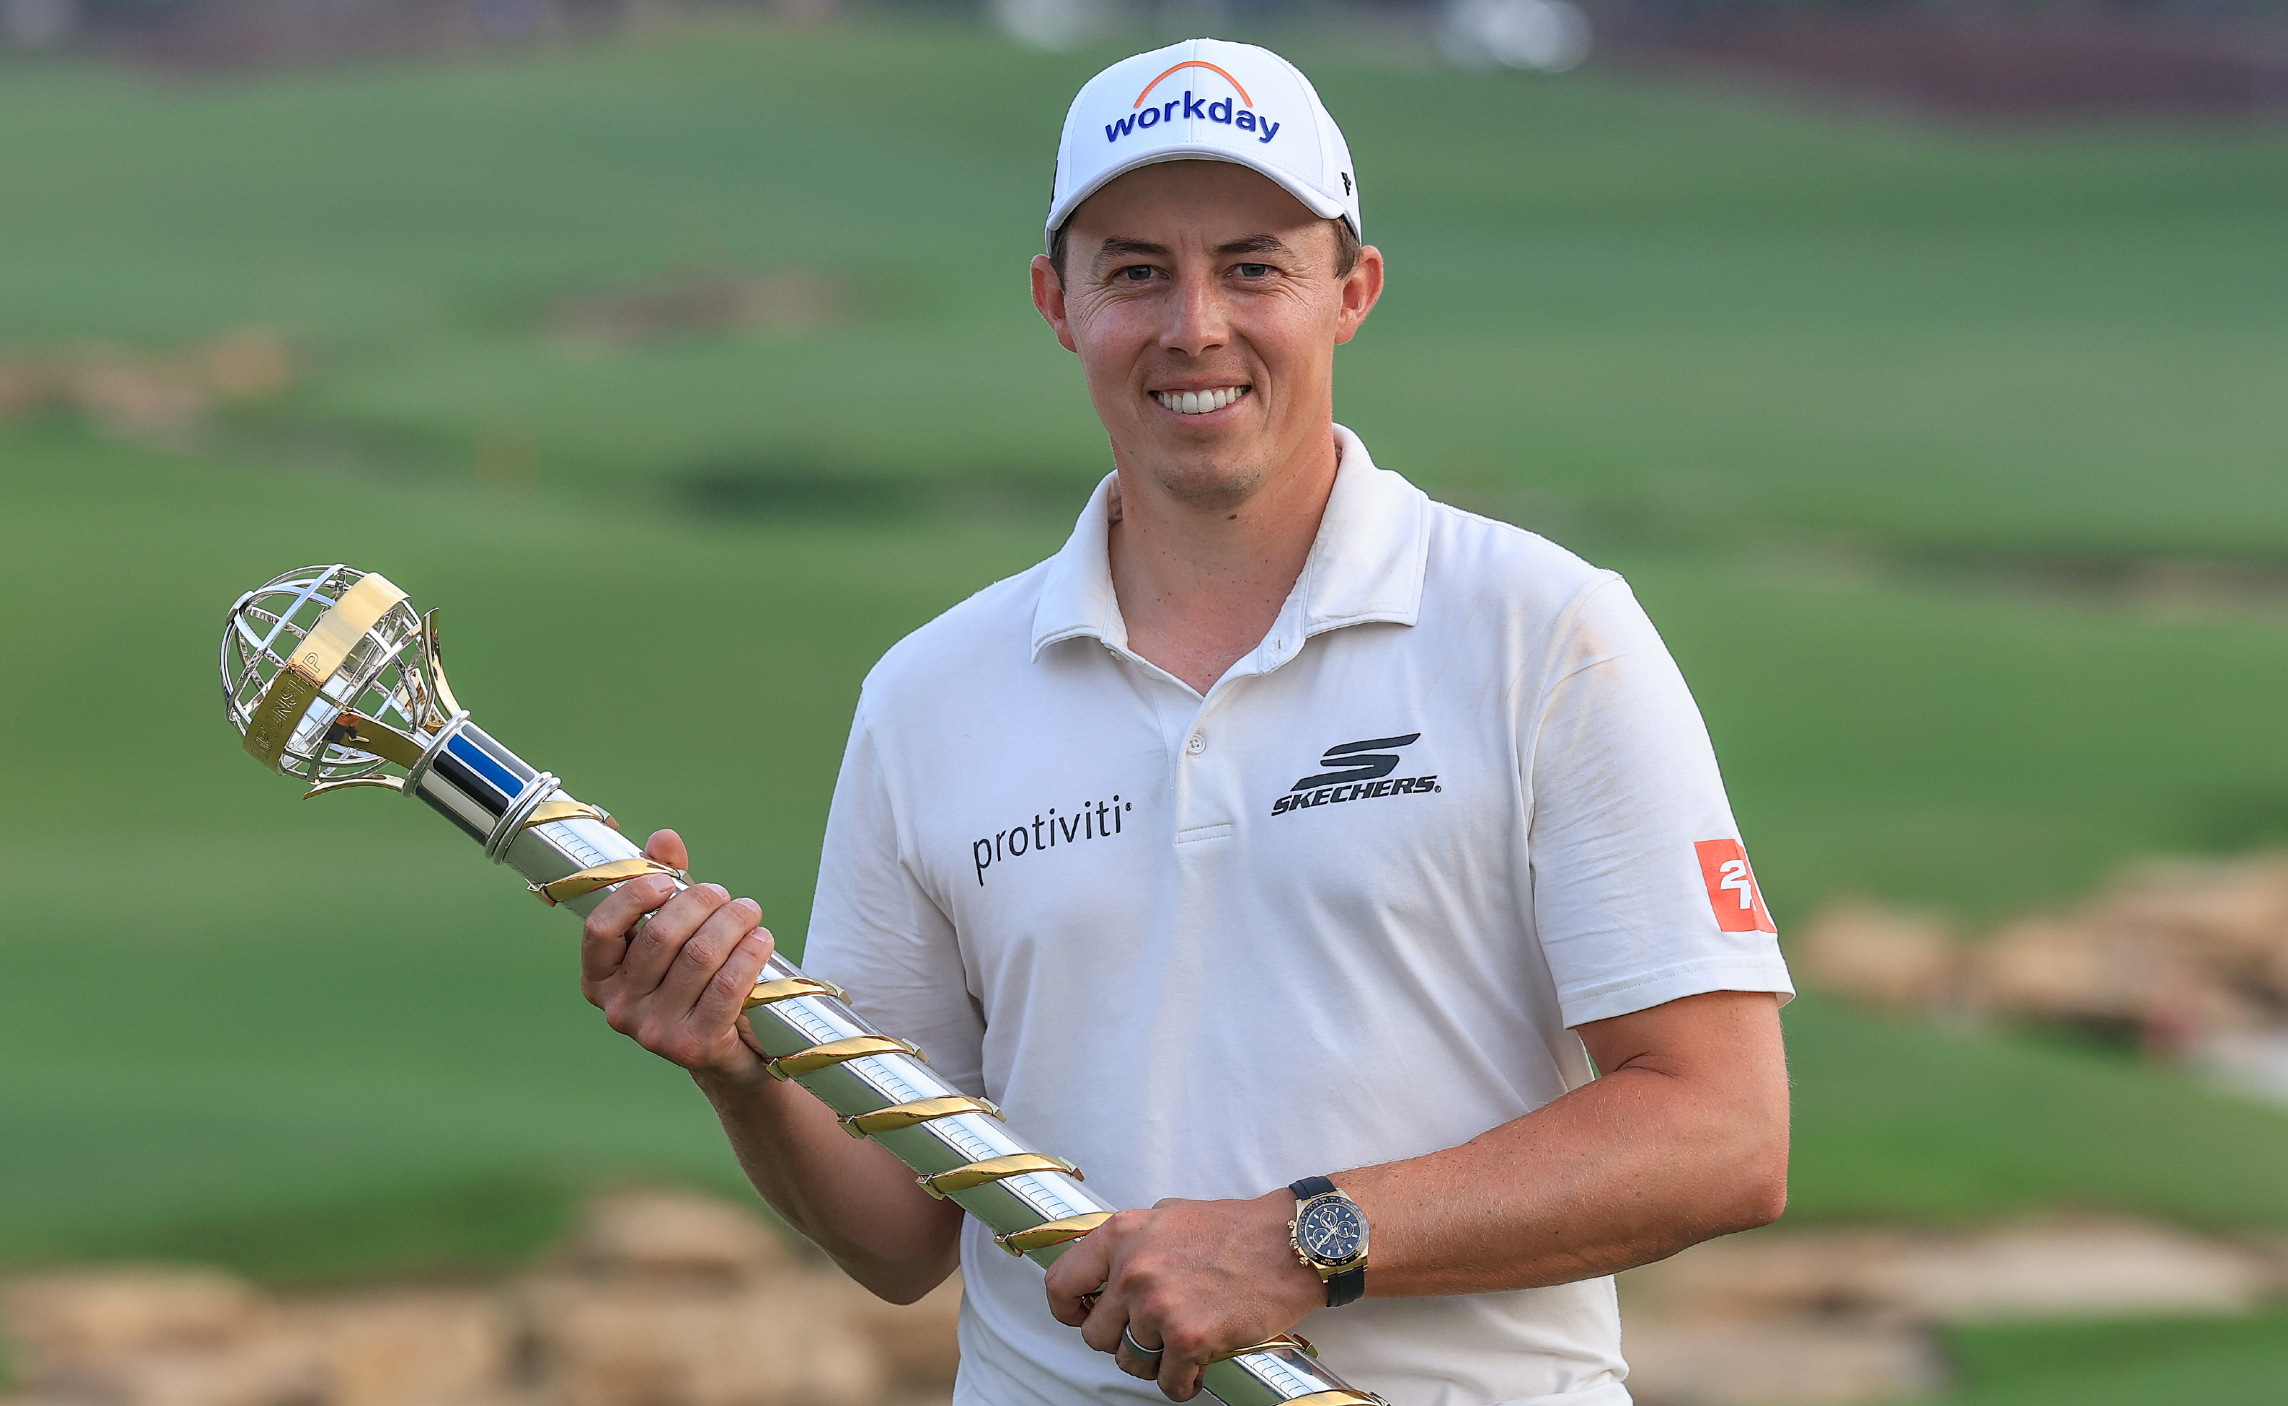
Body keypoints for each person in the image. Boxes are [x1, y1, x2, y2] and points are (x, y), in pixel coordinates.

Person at [579, 37, 1793, 1406]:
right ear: (1058, 301)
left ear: (1353, 290)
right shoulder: (929, 695)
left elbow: (1721, 1129)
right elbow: (902, 1231)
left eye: (1254, 265)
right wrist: (748, 1075)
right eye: (1137, 270)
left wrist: (1307, 1241)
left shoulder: (1541, 630)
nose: (1195, 326)